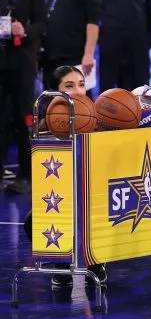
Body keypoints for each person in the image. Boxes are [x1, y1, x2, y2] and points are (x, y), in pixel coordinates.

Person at [44, 65, 107, 287]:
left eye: (81, 85)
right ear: (55, 93)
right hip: (61, 201)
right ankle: (60, 262)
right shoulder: (43, 129)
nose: (78, 92)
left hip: (94, 201)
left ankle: (96, 260)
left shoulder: (100, 122)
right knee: (32, 221)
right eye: (69, 86)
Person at [0, 0, 45, 196]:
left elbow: (43, 25)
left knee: (21, 119)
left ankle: (26, 175)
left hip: (21, 63)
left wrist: (25, 29)